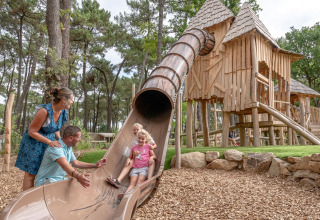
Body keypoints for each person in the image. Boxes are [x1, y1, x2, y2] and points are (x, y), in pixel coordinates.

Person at [15, 87, 73, 191]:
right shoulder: (44, 111)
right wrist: (49, 141)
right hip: (34, 143)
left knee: (44, 173)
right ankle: (27, 203)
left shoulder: (63, 112)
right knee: (31, 174)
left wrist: (60, 140)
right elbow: (32, 131)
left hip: (49, 143)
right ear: (64, 100)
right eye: (71, 99)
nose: (72, 102)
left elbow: (54, 128)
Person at [35, 126, 107, 187]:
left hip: (57, 180)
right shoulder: (56, 148)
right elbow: (65, 166)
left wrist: (95, 165)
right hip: (45, 182)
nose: (80, 139)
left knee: (75, 185)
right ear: (71, 138)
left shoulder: (68, 147)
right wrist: (78, 176)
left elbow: (76, 163)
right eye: (79, 137)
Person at [106, 123, 157, 188]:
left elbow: (154, 145)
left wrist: (152, 148)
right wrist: (129, 158)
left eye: (137, 129)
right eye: (134, 130)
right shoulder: (135, 141)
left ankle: (149, 180)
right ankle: (118, 180)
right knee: (129, 162)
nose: (136, 131)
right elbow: (132, 153)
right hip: (138, 159)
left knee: (152, 161)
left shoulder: (146, 138)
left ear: (141, 130)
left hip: (146, 159)